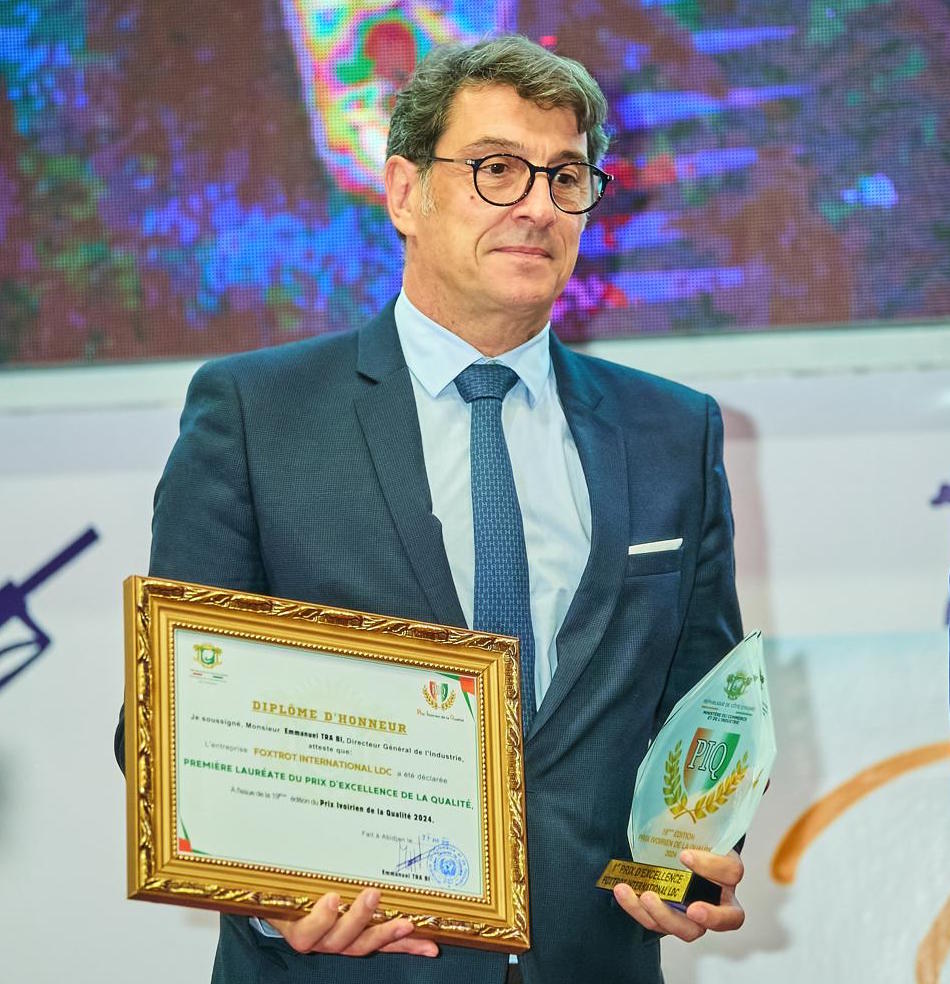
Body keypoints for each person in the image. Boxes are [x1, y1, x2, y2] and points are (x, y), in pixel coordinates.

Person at [116, 35, 745, 984]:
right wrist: (275, 900)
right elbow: (167, 718)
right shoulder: (256, 414)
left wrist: (680, 871)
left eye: (566, 176)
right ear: (405, 192)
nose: (537, 205)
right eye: (497, 169)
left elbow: (701, 717)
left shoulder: (673, 431)